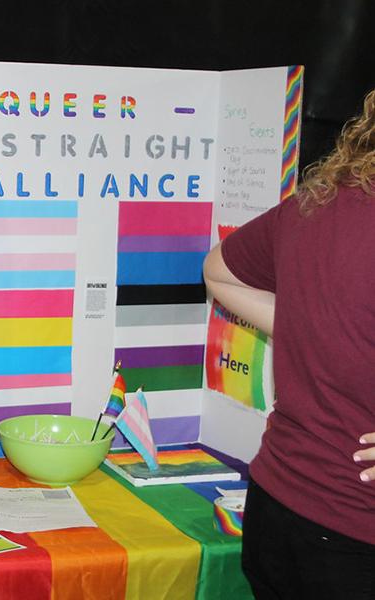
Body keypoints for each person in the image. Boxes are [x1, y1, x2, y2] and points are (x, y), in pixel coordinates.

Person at [203, 89, 375, 598]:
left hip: (277, 508)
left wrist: (315, 327)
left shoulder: (319, 203)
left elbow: (219, 273)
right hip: (354, 532)